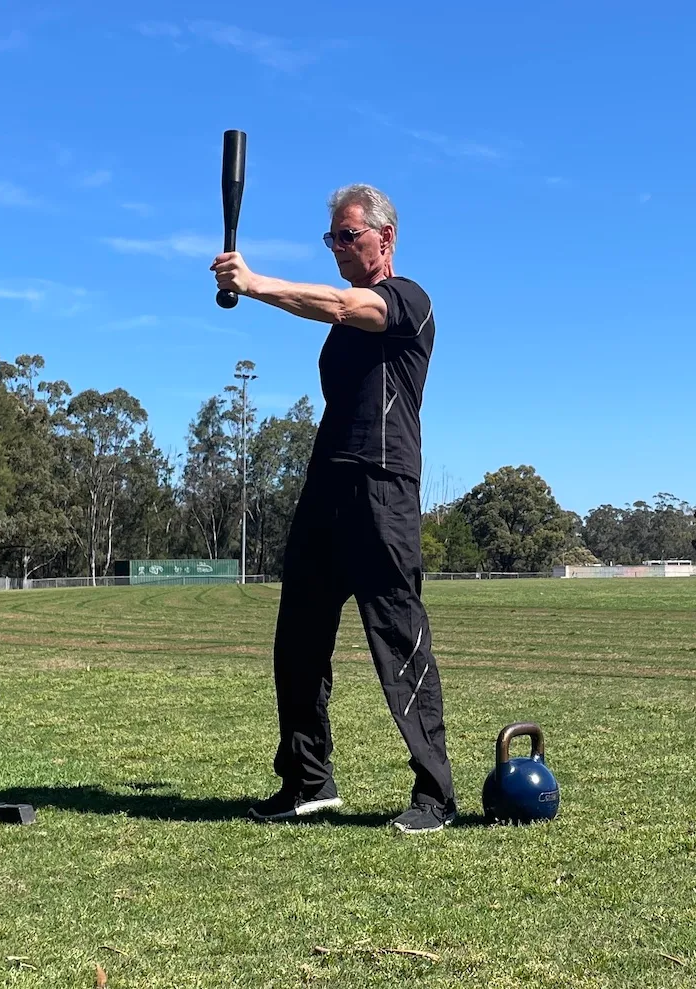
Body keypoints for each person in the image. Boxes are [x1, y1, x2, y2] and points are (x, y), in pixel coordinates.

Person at [210, 183, 457, 834]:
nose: (340, 248)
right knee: (297, 638)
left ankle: (435, 794)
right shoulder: (348, 319)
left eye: (350, 235)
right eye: (333, 238)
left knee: (398, 634)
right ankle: (307, 780)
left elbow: (344, 306)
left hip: (383, 483)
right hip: (328, 483)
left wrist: (255, 282)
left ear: (386, 238)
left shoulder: (408, 301)